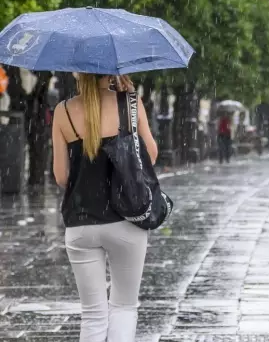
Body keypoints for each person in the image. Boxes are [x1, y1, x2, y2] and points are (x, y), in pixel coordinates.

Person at [52, 74, 158, 341]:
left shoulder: (63, 111)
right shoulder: (131, 103)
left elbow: (62, 177)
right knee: (123, 305)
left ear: (77, 72)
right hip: (127, 220)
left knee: (92, 314)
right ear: (112, 70)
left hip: (81, 223)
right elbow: (151, 155)